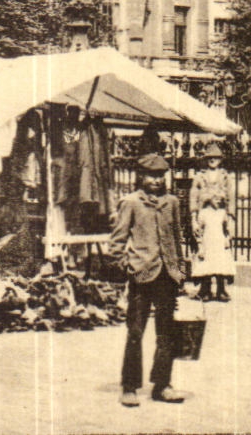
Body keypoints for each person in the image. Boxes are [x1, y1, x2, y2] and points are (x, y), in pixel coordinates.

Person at [110, 153, 187, 407]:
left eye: (160, 176)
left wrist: (181, 269)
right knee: (135, 331)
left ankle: (162, 385)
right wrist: (126, 267)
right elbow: (118, 241)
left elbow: (177, 238)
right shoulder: (131, 202)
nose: (156, 181)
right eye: (151, 176)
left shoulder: (172, 202)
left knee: (167, 333)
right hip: (141, 275)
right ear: (141, 177)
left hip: (167, 275)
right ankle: (129, 386)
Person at [189, 142, 235, 302]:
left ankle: (221, 289)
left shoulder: (226, 177)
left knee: (221, 253)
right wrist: (194, 219)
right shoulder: (199, 177)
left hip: (220, 219)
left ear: (221, 159)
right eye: (210, 157)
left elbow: (231, 200)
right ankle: (205, 289)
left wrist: (230, 220)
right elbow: (193, 198)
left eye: (216, 157)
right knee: (205, 252)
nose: (213, 160)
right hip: (205, 217)